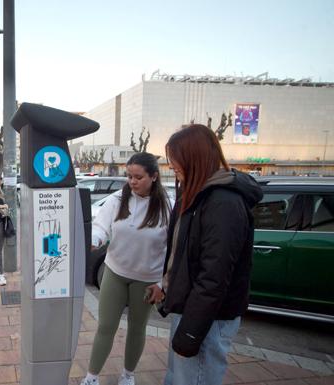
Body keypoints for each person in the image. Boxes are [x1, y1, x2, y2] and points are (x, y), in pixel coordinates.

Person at [161, 124, 263, 385]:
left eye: (176, 161)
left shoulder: (223, 203)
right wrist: (166, 285)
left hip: (208, 318)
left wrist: (191, 332)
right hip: (191, 308)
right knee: (178, 378)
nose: (172, 167)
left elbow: (213, 278)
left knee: (194, 379)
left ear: (195, 159)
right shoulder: (195, 194)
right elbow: (183, 253)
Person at [81, 152, 171, 385]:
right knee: (106, 326)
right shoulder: (117, 200)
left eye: (138, 177)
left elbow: (174, 249)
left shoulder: (166, 206)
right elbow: (101, 227)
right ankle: (91, 377)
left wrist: (162, 283)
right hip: (115, 273)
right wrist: (95, 240)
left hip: (147, 279)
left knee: (137, 328)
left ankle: (128, 375)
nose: (132, 181)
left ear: (153, 176)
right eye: (129, 176)